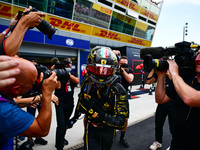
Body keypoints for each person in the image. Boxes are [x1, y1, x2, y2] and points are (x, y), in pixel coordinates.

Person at [68, 46, 128, 150]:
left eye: (106, 70)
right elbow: (82, 101)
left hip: (108, 130)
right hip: (90, 127)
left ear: (114, 70)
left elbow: (121, 122)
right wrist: (74, 118)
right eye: (97, 69)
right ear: (88, 68)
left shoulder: (119, 90)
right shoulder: (86, 82)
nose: (101, 74)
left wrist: (97, 114)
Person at [0, 57, 58, 149]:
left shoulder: (3, 96)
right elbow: (42, 129)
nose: (34, 83)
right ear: (17, 90)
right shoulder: (5, 112)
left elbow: (16, 102)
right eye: (32, 82)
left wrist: (40, 97)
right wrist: (47, 93)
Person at [155, 50, 200, 150]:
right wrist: (161, 75)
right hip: (178, 142)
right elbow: (160, 99)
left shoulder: (179, 79)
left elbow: (190, 98)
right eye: (197, 54)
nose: (198, 58)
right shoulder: (186, 80)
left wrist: (175, 74)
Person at [147, 69, 175, 150]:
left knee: (173, 125)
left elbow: (176, 83)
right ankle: (158, 141)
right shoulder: (159, 73)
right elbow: (148, 81)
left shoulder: (174, 72)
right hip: (162, 102)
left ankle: (175, 143)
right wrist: (153, 69)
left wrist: (168, 73)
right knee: (158, 123)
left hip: (173, 102)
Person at [54, 58, 79, 150]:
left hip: (69, 102)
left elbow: (77, 81)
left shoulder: (73, 74)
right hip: (59, 102)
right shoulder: (58, 74)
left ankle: (62, 138)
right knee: (61, 124)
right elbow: (58, 86)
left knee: (65, 123)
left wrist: (67, 74)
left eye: (70, 63)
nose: (68, 65)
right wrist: (59, 74)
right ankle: (59, 146)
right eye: (66, 63)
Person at [117, 55, 134, 148]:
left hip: (123, 97)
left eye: (125, 64)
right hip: (112, 96)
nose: (123, 65)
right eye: (121, 64)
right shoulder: (114, 69)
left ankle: (122, 137)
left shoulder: (129, 70)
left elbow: (130, 79)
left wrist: (122, 70)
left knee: (125, 118)